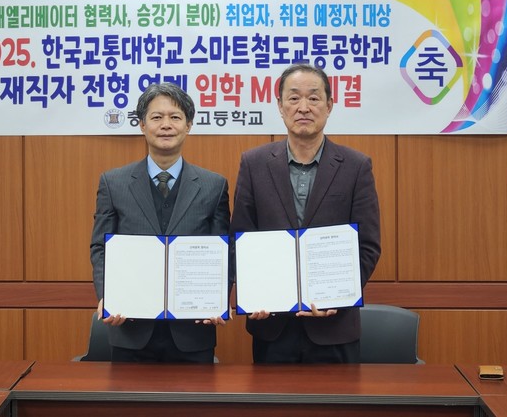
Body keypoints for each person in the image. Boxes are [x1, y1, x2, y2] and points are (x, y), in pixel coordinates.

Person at [231, 64, 381, 363]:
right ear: (280, 106)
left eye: (313, 98)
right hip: (272, 327)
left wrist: (338, 296)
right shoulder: (254, 164)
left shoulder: (356, 166)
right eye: (293, 98)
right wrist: (253, 291)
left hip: (334, 327)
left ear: (329, 105)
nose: (303, 107)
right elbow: (240, 240)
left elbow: (367, 245)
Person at [90, 82, 231, 363]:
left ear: (188, 125)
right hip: (130, 328)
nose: (166, 124)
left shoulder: (214, 185)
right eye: (156, 117)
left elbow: (224, 251)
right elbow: (100, 248)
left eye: (175, 117)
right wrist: (109, 295)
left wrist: (219, 299)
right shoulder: (113, 183)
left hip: (193, 331)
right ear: (142, 125)